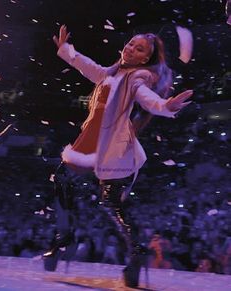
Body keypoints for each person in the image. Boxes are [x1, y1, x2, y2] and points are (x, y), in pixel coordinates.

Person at [43, 24, 192, 288]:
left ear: (145, 58)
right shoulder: (110, 74)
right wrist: (66, 51)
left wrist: (165, 106)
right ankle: (64, 237)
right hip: (88, 141)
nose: (131, 48)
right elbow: (88, 67)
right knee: (62, 180)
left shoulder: (138, 76)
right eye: (131, 43)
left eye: (139, 48)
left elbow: (146, 98)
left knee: (111, 203)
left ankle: (136, 251)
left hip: (113, 148)